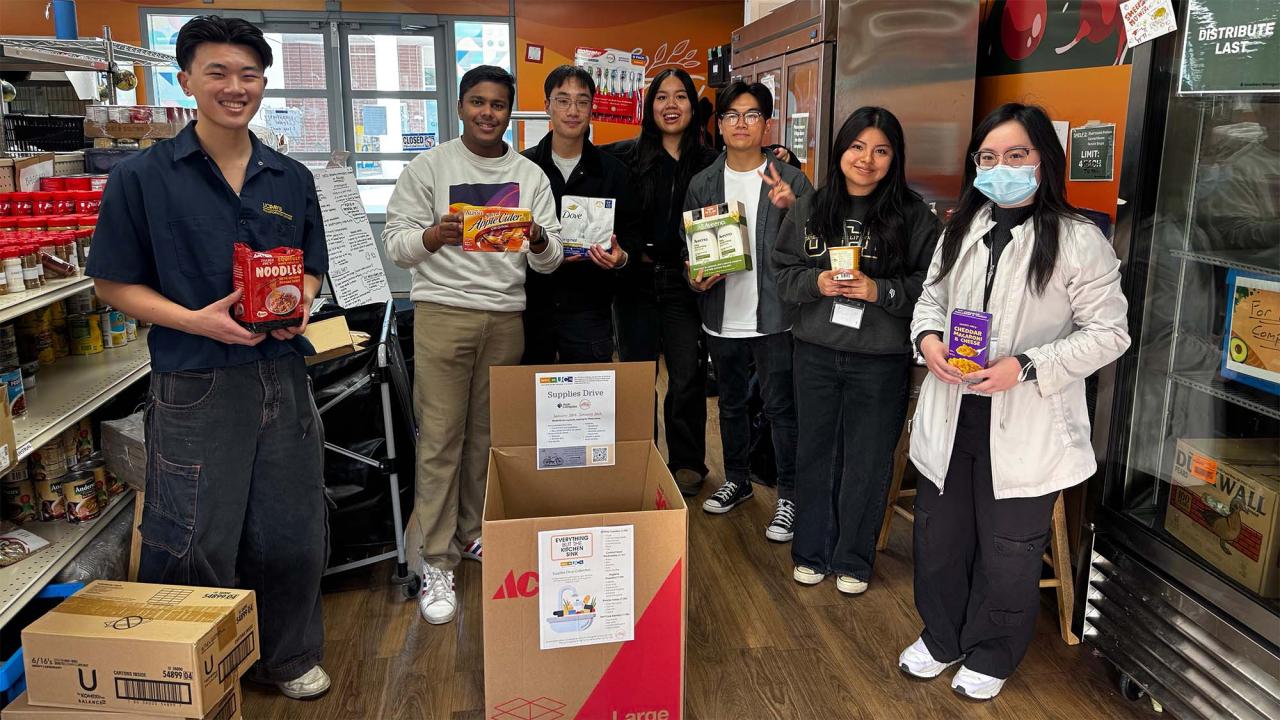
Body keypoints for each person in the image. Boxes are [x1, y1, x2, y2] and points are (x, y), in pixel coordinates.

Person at [87, 16, 330, 699]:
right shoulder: (143, 178)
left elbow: (313, 264)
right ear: (186, 79)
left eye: (248, 74)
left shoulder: (290, 175)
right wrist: (195, 320)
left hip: (282, 374)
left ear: (263, 83)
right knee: (193, 534)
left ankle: (286, 658)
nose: (235, 87)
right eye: (217, 73)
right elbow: (111, 282)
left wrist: (299, 300)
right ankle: (194, 672)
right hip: (194, 380)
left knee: (291, 529)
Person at [901, 103, 1129, 700]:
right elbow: (930, 298)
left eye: (1016, 155)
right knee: (939, 537)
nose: (1001, 167)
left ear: (1043, 162)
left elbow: (1110, 334)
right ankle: (943, 635)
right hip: (953, 412)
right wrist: (927, 340)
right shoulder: (962, 228)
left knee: (1008, 550)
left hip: (1027, 424)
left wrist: (1027, 366)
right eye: (988, 157)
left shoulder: (1080, 241)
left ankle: (992, 650)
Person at [382, 65, 563, 626]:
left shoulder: (529, 174)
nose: (489, 113)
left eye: (499, 104)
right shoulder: (430, 166)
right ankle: (436, 560)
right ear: (460, 106)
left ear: (511, 111)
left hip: (506, 318)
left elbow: (551, 257)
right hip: (442, 314)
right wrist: (434, 235)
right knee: (439, 438)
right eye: (478, 102)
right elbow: (396, 245)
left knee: (487, 437)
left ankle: (473, 533)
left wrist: (535, 236)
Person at [773, 106, 941, 594]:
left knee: (868, 460)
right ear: (841, 151)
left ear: (895, 158)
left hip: (880, 358)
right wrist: (816, 281)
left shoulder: (913, 215)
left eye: (881, 150)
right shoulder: (810, 208)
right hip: (816, 352)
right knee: (816, 453)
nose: (867, 159)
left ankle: (854, 559)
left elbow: (931, 289)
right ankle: (811, 551)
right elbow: (782, 274)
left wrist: (880, 292)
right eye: (857, 147)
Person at [684, 81, 813, 542]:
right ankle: (736, 479)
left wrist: (793, 208)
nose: (741, 124)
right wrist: (695, 277)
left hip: (777, 317)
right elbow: (691, 252)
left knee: (781, 407)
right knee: (731, 403)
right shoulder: (703, 182)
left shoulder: (792, 180)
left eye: (752, 115)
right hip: (721, 315)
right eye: (732, 115)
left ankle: (790, 497)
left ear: (766, 124)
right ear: (719, 126)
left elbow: (815, 248)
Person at [604, 69, 719, 496]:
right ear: (649, 107)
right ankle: (638, 456)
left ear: (693, 106)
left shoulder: (711, 164)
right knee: (636, 374)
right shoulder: (623, 157)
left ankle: (687, 461)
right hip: (634, 275)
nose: (671, 105)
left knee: (687, 374)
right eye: (661, 98)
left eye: (681, 97)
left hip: (686, 281)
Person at [521, 64, 631, 363]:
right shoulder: (523, 169)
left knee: (588, 405)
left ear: (591, 109)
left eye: (582, 102)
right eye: (563, 100)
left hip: (589, 311)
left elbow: (630, 238)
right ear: (547, 106)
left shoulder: (614, 173)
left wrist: (620, 258)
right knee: (529, 402)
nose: (573, 110)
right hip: (531, 308)